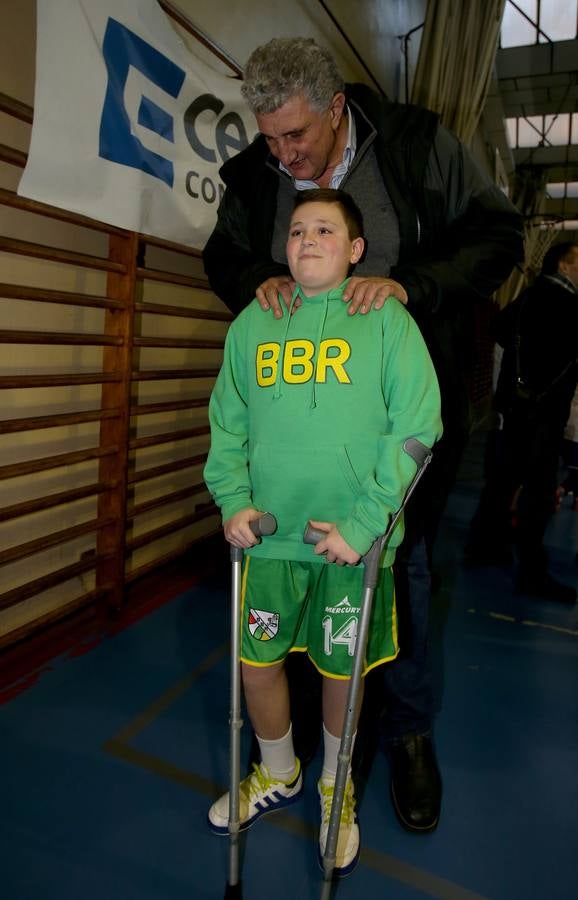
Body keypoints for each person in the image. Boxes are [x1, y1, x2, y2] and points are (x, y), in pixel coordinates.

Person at [202, 36, 524, 832]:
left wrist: (412, 287)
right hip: (293, 446)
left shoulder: (415, 144)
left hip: (387, 424)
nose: (283, 155)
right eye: (269, 138)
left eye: (297, 138)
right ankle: (303, 753)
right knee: (299, 604)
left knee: (399, 569)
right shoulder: (257, 173)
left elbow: (498, 236)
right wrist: (257, 282)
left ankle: (406, 735)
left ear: (337, 108)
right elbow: (224, 255)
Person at [203, 189, 442, 874]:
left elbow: (418, 427)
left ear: (356, 249)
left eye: (327, 230)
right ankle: (279, 772)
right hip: (269, 543)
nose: (309, 239)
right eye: (299, 229)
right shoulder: (254, 321)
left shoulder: (386, 320)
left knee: (343, 669)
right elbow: (229, 423)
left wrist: (366, 525)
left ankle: (337, 784)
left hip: (351, 546)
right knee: (258, 667)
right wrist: (233, 500)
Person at [466, 241, 578, 602]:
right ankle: (532, 573)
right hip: (543, 415)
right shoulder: (569, 304)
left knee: (502, 479)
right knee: (539, 493)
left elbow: (499, 326)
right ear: (564, 264)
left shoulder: (530, 295)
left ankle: (483, 548)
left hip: (512, 407)